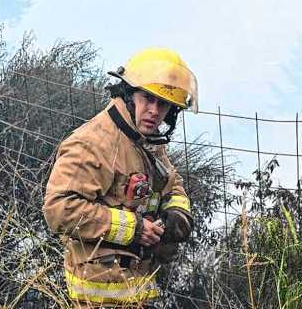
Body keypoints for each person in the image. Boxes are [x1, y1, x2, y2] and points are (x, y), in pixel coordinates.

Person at [43, 48, 197, 307]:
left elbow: (172, 184)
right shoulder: (94, 143)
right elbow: (59, 209)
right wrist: (134, 229)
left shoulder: (147, 139)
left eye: (163, 104)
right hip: (96, 294)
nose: (154, 111)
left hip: (137, 289)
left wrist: (174, 216)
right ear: (129, 94)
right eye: (147, 98)